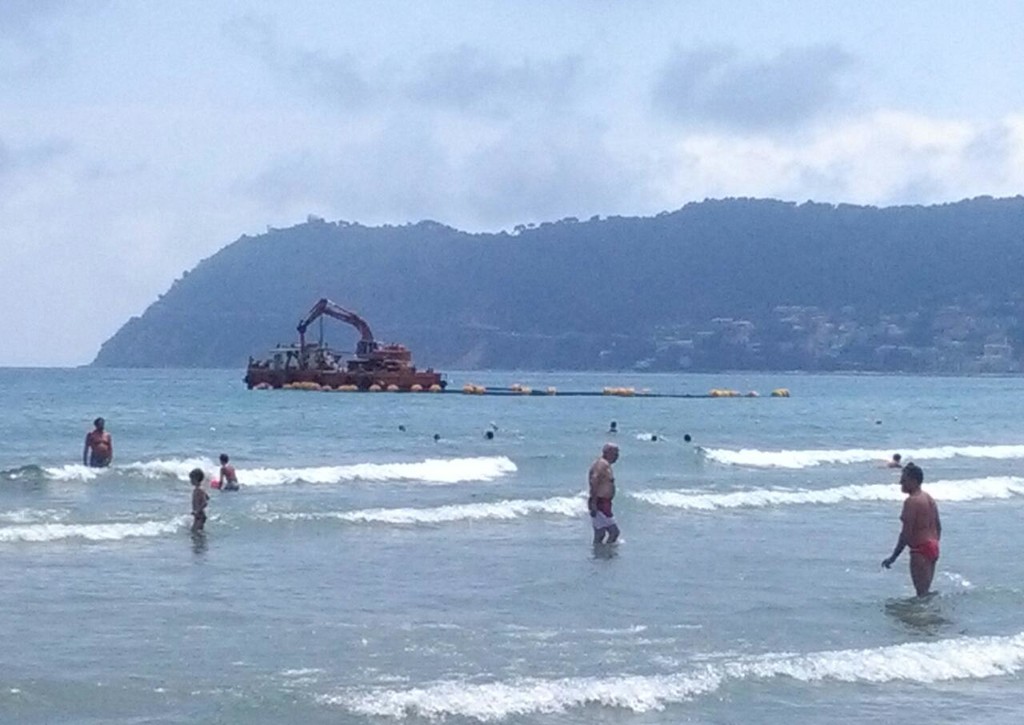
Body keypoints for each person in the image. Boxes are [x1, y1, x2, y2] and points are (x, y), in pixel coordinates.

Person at [882, 463, 941, 597]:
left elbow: (906, 534)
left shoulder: (912, 501)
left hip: (920, 549)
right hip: (933, 546)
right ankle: (934, 609)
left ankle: (928, 611)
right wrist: (934, 545)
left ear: (914, 481)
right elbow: (938, 526)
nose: (900, 482)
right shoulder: (928, 498)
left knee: (921, 595)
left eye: (904, 480)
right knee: (925, 591)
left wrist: (893, 557)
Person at [588, 443, 620, 545]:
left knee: (600, 533)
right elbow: (594, 480)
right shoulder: (601, 464)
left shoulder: (606, 465)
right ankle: (606, 552)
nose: (617, 456)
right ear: (607, 452)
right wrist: (594, 503)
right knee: (614, 532)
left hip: (604, 502)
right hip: (600, 502)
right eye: (615, 453)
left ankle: (599, 553)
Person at [190, 468, 210, 532]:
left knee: (195, 531)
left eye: (191, 479)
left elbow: (205, 503)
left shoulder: (199, 489)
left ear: (196, 479)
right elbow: (207, 497)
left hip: (200, 515)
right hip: (198, 515)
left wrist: (197, 511)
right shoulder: (200, 489)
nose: (190, 481)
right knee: (196, 531)